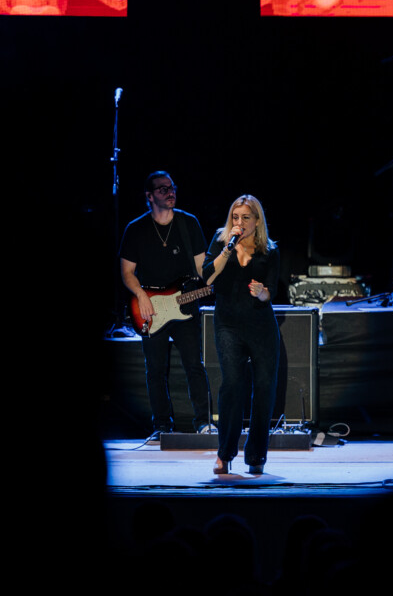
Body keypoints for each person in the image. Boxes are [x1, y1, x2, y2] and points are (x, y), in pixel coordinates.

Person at [120, 171, 212, 438]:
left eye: (172, 187)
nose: (170, 192)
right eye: (163, 189)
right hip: (150, 308)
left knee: (194, 365)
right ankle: (161, 425)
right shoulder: (135, 229)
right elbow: (127, 272)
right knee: (156, 370)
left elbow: (202, 268)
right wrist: (141, 296)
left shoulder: (188, 223)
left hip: (185, 304)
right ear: (149, 196)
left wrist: (218, 280)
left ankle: (203, 423)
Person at [203, 195, 281, 476]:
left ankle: (257, 455)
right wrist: (227, 250)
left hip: (261, 326)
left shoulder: (269, 250)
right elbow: (207, 278)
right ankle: (224, 454)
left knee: (264, 388)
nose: (239, 222)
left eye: (245, 218)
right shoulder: (220, 241)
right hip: (228, 324)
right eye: (235, 217)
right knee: (232, 385)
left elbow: (271, 291)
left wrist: (262, 293)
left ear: (257, 221)